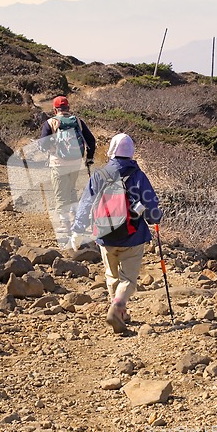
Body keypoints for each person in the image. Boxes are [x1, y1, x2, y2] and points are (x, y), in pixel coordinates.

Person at [70, 133, 163, 333]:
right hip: (133, 236)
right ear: (131, 153)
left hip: (105, 236)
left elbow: (86, 204)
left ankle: (119, 311)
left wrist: (78, 230)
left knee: (111, 275)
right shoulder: (138, 176)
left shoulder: (99, 175)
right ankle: (118, 306)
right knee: (128, 279)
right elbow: (152, 205)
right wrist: (154, 218)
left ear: (112, 150)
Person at [39, 95, 96, 233]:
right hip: (76, 162)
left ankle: (65, 224)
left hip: (58, 163)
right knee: (71, 190)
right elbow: (91, 141)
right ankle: (77, 220)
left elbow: (43, 145)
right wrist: (89, 158)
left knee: (60, 194)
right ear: (68, 108)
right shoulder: (77, 121)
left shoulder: (51, 123)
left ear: (54, 109)